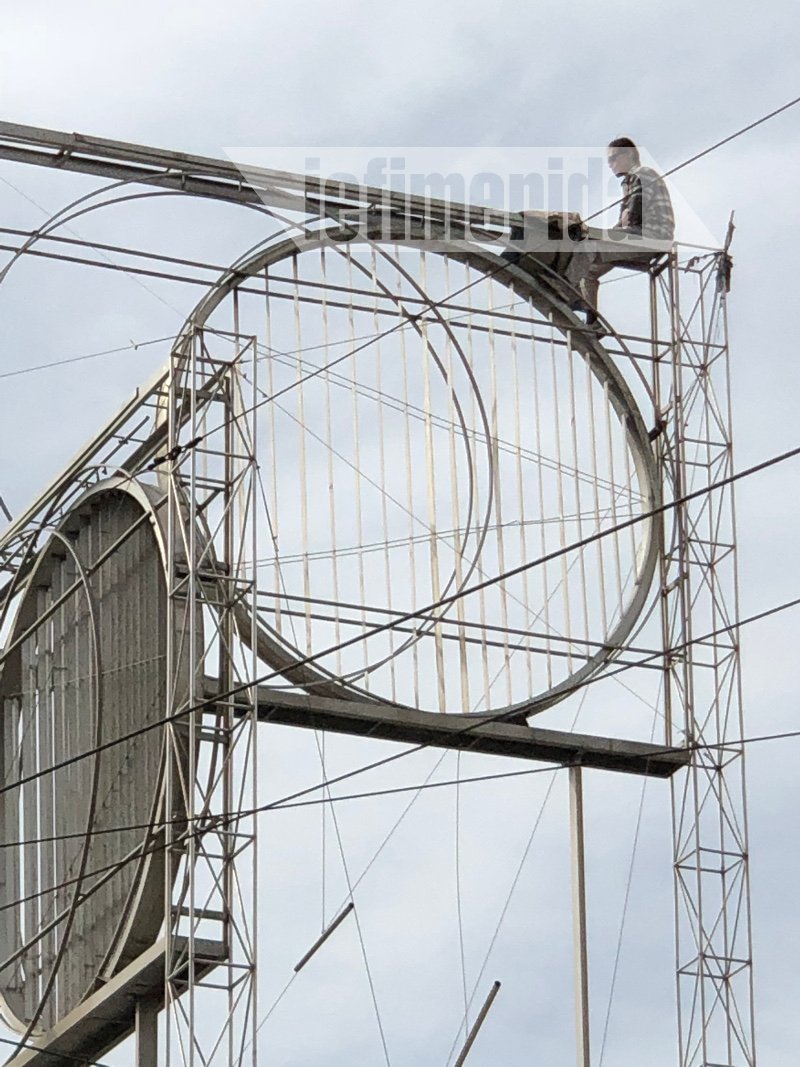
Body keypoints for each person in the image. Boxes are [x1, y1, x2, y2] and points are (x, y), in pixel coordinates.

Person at [566, 138, 675, 322]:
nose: (610, 164)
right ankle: (591, 318)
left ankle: (569, 293)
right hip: (640, 236)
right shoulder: (629, 183)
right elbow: (623, 222)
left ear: (629, 154)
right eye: (609, 160)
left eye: (613, 158)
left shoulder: (642, 173)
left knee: (587, 246)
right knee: (589, 269)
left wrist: (615, 226)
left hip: (651, 235)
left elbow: (633, 216)